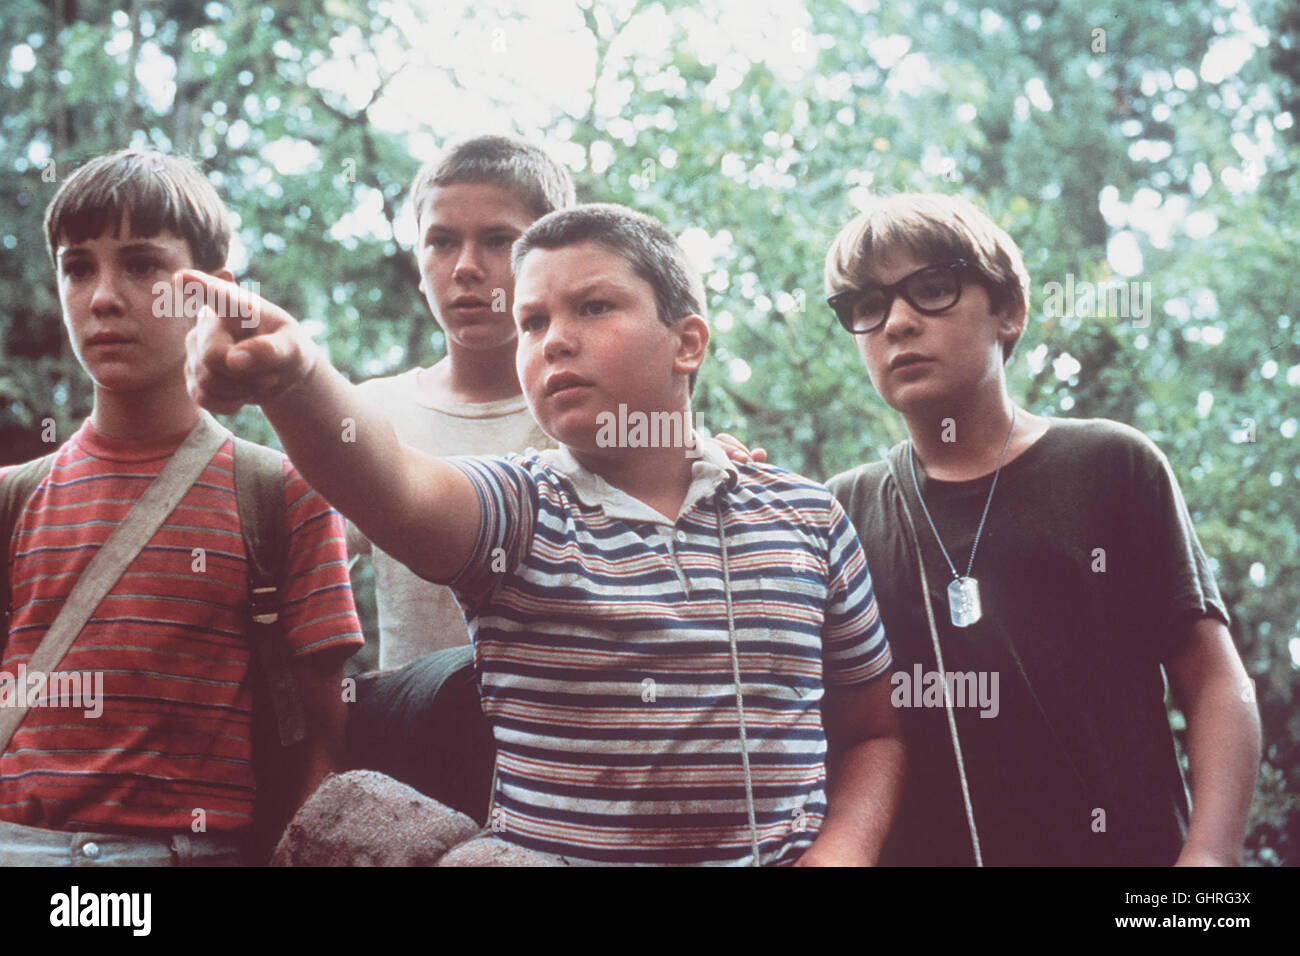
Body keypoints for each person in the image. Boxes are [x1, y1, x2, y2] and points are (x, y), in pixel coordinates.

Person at [184, 202, 902, 866]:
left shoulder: (809, 518)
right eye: (531, 322)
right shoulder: (520, 509)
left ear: (687, 343)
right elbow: (392, 483)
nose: (554, 339)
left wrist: (843, 853)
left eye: (593, 307)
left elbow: (875, 730)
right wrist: (295, 374)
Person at [821, 192, 1261, 866]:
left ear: (1009, 311)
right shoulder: (836, 511)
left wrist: (1208, 861)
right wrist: (711, 480)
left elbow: (1214, 684)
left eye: (932, 288)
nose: (897, 322)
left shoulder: (1111, 464)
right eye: (867, 306)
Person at [0, 149, 364, 866]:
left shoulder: (282, 494)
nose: (104, 297)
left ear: (212, 293)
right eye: (78, 268)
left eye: (142, 266)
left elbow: (327, 736)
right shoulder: (14, 498)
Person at [351, 135, 568, 671]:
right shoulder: (371, 413)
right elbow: (301, 566)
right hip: (411, 743)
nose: (466, 267)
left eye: (498, 241)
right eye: (442, 242)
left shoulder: (592, 416)